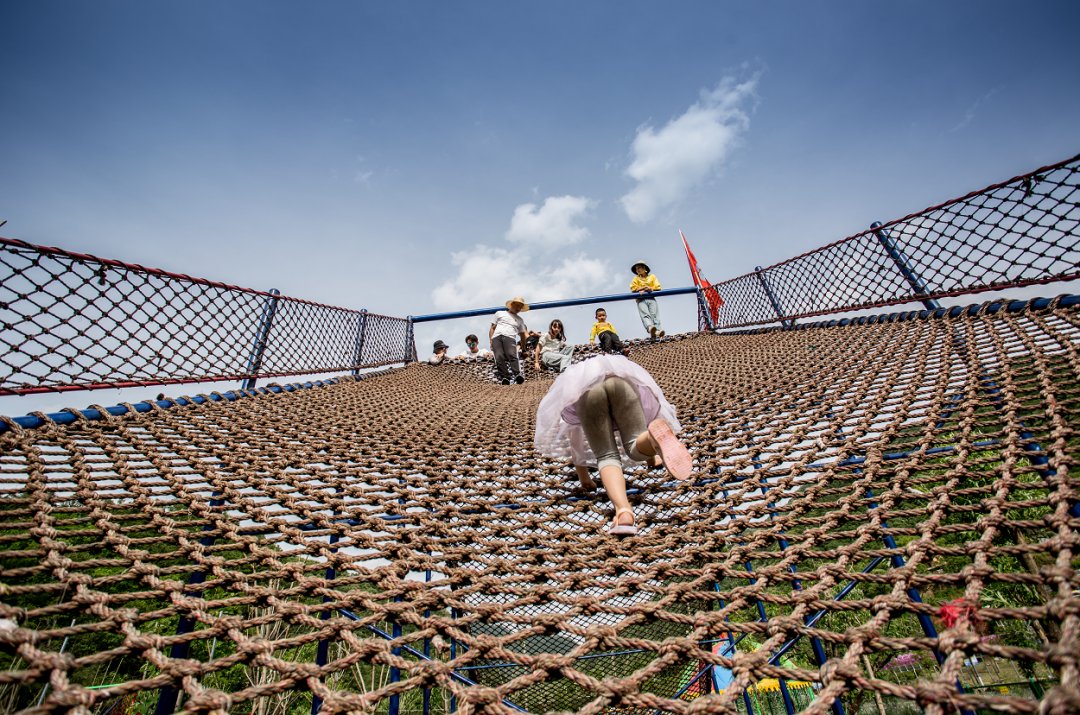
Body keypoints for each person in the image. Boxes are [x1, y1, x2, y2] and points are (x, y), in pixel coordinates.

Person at [534, 354, 693, 535]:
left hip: (588, 394)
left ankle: (624, 512)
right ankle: (651, 438)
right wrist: (651, 459)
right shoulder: (616, 365)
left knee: (606, 455)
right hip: (620, 383)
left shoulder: (575, 383)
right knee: (635, 441)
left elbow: (575, 440)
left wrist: (584, 478)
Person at [489, 296, 529, 384]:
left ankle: (517, 374)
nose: (518, 308)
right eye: (516, 305)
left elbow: (522, 335)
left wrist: (523, 348)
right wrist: (491, 340)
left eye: (520, 307)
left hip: (510, 337)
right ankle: (505, 377)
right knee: (499, 356)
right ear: (511, 305)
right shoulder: (499, 313)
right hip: (497, 337)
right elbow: (492, 328)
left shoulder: (520, 320)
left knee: (511, 354)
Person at [630, 260, 665, 340]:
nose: (638, 269)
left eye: (640, 267)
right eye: (636, 268)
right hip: (641, 299)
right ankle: (650, 328)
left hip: (651, 298)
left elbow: (658, 287)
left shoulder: (652, 277)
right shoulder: (635, 279)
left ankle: (658, 332)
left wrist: (650, 288)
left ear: (644, 268)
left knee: (654, 315)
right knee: (645, 314)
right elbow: (633, 289)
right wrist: (642, 288)